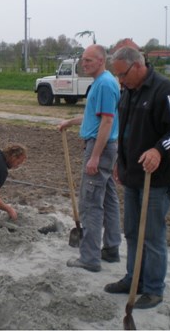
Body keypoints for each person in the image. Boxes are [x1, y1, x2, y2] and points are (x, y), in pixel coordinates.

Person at [104, 46, 170, 309]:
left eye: (122, 74)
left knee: (151, 234)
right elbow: (126, 131)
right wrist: (121, 162)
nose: (120, 81)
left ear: (138, 66)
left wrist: (159, 150)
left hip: (158, 177)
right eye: (117, 76)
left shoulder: (165, 91)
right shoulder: (127, 92)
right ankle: (134, 279)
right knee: (131, 230)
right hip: (132, 175)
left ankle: (153, 289)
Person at [57, 44, 121, 272]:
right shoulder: (104, 82)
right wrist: (70, 122)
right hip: (105, 147)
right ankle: (111, 248)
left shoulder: (104, 84)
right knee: (109, 199)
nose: (84, 64)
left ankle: (90, 258)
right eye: (83, 60)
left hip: (99, 149)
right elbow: (93, 116)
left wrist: (94, 157)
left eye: (89, 61)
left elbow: (107, 122)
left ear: (102, 60)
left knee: (91, 203)